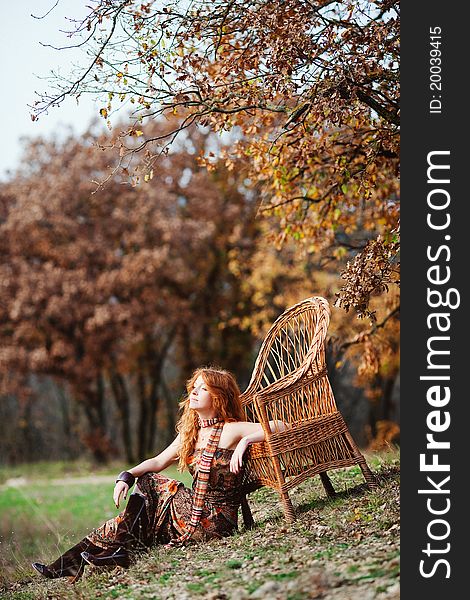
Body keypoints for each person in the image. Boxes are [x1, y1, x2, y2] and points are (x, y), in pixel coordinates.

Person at [32, 366, 288, 581]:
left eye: (203, 389)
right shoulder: (192, 434)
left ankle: (118, 550)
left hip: (216, 520)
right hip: (191, 513)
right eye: (194, 388)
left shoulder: (230, 430)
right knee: (129, 511)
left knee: (151, 483)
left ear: (218, 397)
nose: (195, 392)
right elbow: (157, 460)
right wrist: (126, 476)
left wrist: (246, 441)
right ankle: (69, 563)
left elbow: (281, 425)